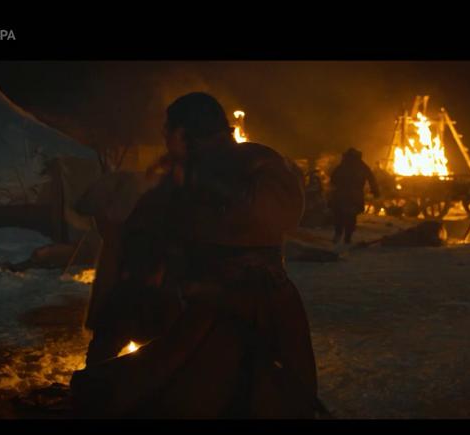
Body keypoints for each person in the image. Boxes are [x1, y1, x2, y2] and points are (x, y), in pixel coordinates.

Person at [71, 92, 319, 418]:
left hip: (227, 308)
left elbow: (274, 215)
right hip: (254, 302)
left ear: (183, 133)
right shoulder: (248, 161)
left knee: (201, 394)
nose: (165, 139)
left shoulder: (215, 170)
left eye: (168, 131)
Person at [328, 147, 380, 244]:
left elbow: (333, 179)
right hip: (354, 196)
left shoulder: (343, 165)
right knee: (350, 216)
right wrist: (375, 191)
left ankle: (338, 234)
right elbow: (371, 178)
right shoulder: (361, 166)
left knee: (340, 215)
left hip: (342, 195)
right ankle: (347, 237)